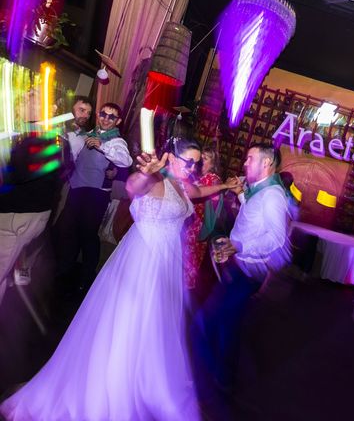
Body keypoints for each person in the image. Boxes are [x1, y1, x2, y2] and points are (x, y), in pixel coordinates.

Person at [0, 138, 240, 421]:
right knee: (128, 325)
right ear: (170, 158)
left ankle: (142, 378)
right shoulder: (154, 180)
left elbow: (198, 191)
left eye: (196, 162)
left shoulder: (182, 184)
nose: (193, 167)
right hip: (142, 265)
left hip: (165, 267)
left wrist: (225, 186)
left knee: (153, 327)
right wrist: (147, 172)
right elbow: (132, 187)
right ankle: (113, 387)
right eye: (188, 160)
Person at [191, 143, 294, 396]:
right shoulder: (261, 190)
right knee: (224, 323)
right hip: (240, 266)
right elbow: (252, 214)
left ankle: (215, 381)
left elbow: (278, 240)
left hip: (250, 273)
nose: (245, 163)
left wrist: (238, 245)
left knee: (211, 322)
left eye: (250, 158)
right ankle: (220, 377)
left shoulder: (273, 196)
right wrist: (240, 194)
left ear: (267, 163)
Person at [53, 102, 132, 294]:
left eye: (111, 117)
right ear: (98, 115)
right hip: (76, 189)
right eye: (103, 114)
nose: (106, 118)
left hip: (96, 194)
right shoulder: (87, 135)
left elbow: (125, 160)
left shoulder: (116, 142)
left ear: (118, 121)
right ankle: (64, 271)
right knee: (68, 231)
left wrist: (102, 146)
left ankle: (86, 279)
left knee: (88, 235)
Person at [0, 135, 61, 303]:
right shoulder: (54, 143)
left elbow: (18, 174)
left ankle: (21, 274)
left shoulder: (38, 143)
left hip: (19, 215)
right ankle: (19, 275)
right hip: (34, 214)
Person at [183, 143, 224, 290]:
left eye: (205, 159)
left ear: (213, 163)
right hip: (190, 221)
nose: (202, 161)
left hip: (198, 224)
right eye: (202, 158)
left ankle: (186, 288)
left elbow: (210, 202)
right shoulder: (200, 175)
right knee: (185, 254)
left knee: (191, 256)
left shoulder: (212, 178)